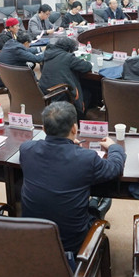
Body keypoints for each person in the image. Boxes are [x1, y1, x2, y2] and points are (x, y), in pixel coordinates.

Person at [19, 101, 126, 253]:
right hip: (72, 245)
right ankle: (95, 208)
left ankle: (94, 205)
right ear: (74, 128)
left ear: (44, 129)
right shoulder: (86, 158)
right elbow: (115, 167)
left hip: (32, 236)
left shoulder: (26, 149)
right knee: (97, 205)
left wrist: (69, 147)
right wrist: (114, 147)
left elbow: (53, 163)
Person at [39, 36, 92, 115]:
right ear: (69, 49)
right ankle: (79, 117)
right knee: (88, 93)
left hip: (45, 91)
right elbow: (87, 67)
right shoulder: (67, 57)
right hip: (61, 93)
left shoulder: (48, 54)